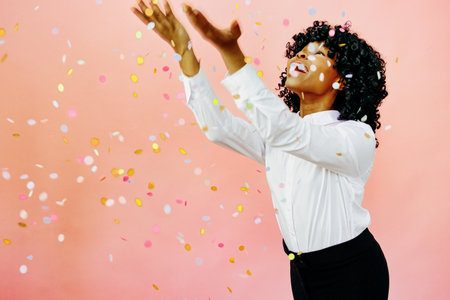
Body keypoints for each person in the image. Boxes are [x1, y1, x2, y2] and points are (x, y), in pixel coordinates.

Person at [131, 1, 390, 299]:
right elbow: (218, 127)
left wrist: (231, 53)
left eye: (319, 54)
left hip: (352, 274)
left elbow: (288, 132)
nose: (303, 54)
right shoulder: (281, 138)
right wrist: (183, 48)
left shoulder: (355, 137)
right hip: (303, 271)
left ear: (343, 81)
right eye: (303, 50)